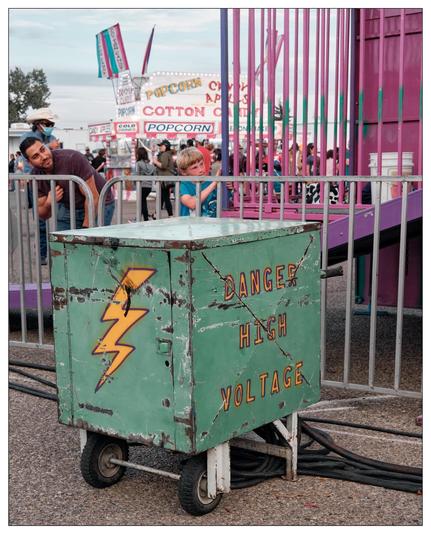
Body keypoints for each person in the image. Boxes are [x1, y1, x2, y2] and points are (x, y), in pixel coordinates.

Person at [19, 137, 115, 231]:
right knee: (63, 244)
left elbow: (93, 197)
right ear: (30, 163)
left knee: (92, 243)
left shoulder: (72, 158)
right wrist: (48, 203)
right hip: (70, 206)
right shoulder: (36, 177)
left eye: (43, 150)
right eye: (36, 156)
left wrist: (86, 231)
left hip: (100, 202)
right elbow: (43, 215)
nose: (44, 157)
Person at [19, 108, 60, 264]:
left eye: (52, 123)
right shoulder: (27, 137)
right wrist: (50, 145)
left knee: (61, 217)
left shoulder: (52, 137)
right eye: (47, 123)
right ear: (38, 124)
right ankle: (42, 254)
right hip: (37, 183)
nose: (50, 126)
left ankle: (60, 251)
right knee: (41, 219)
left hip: (53, 181)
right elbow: (27, 156)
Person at [177, 147, 217, 217]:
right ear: (184, 172)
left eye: (201, 164)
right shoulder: (183, 185)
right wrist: (214, 184)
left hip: (211, 226)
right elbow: (191, 204)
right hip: (189, 226)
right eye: (194, 167)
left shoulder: (211, 182)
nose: (201, 169)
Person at [152, 139, 174, 217]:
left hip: (164, 179)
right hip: (165, 179)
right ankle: (156, 214)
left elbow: (163, 166)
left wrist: (155, 161)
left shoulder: (165, 154)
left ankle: (169, 214)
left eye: (161, 146)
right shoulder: (168, 154)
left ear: (165, 146)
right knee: (162, 197)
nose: (160, 147)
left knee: (165, 197)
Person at [136, 146, 156, 221]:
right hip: (149, 187)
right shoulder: (151, 166)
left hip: (141, 185)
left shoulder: (138, 163)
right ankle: (142, 218)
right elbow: (154, 173)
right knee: (143, 202)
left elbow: (137, 175)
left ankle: (145, 219)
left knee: (142, 203)